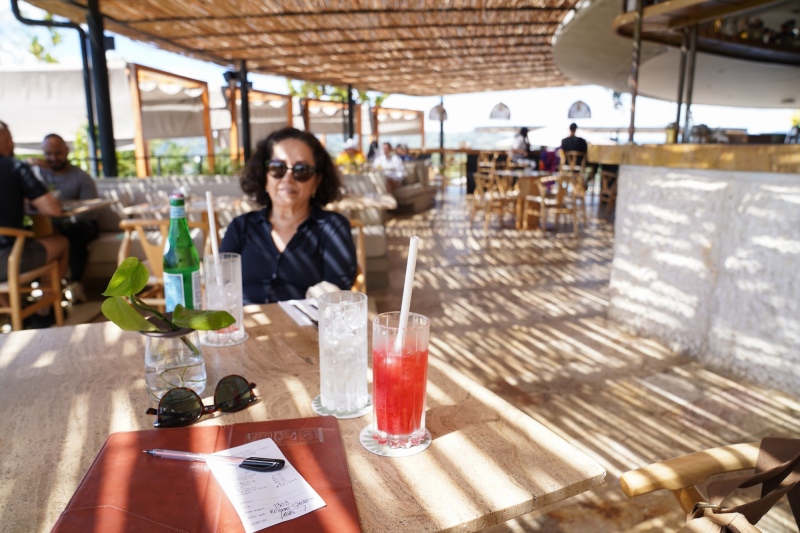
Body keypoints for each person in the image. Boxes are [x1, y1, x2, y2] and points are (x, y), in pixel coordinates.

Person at [220, 127, 356, 304]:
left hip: (305, 329)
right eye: (278, 168)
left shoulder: (332, 228)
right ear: (265, 176)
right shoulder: (240, 227)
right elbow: (220, 284)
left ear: (317, 180)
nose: (288, 178)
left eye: (302, 170)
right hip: (242, 328)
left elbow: (335, 298)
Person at [0, 121, 68, 326]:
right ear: (7, 140)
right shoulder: (14, 167)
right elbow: (53, 209)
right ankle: (44, 311)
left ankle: (13, 311)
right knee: (62, 243)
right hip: (6, 259)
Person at [29, 134, 99, 295]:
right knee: (33, 234)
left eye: (58, 153)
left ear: (66, 151)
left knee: (74, 234)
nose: (53, 158)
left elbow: (91, 210)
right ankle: (40, 286)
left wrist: (65, 218)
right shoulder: (37, 175)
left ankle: (75, 283)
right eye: (49, 154)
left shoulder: (81, 177)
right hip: (49, 224)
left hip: (81, 223)